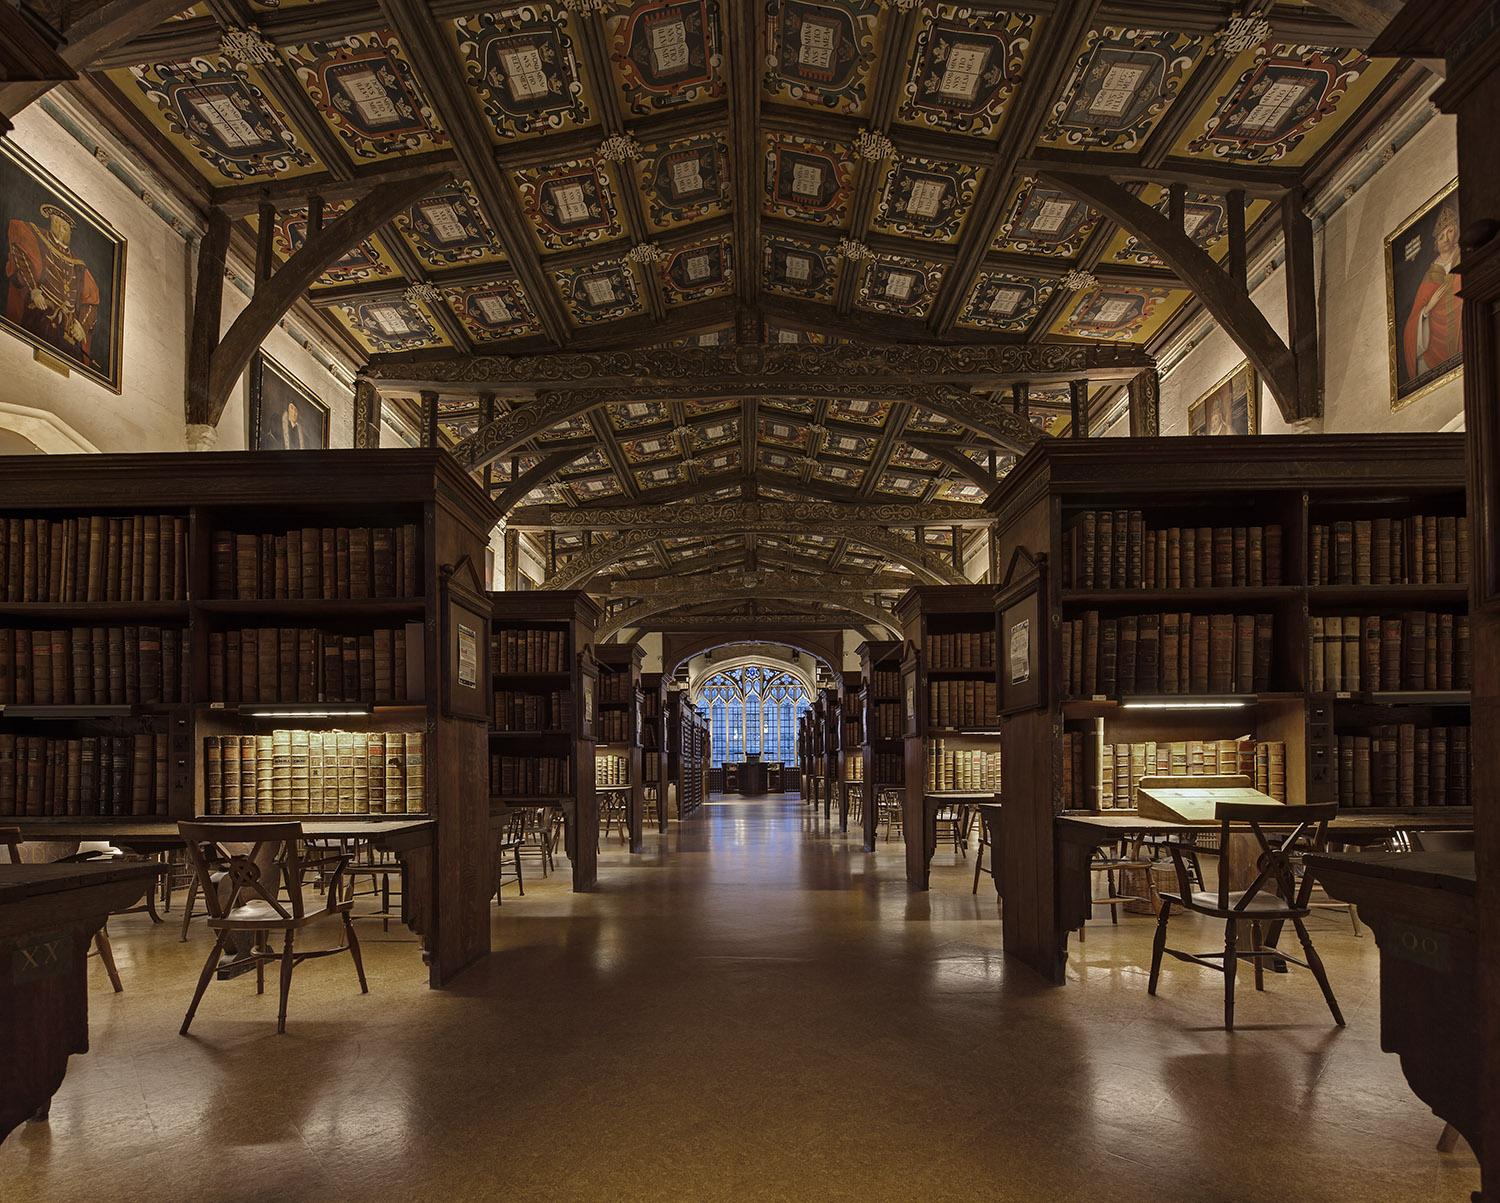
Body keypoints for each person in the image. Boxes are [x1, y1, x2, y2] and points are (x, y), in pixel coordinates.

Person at [5, 203, 100, 366]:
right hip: (39, 315)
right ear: (50, 222)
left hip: (67, 331)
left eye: (66, 226)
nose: (61, 228)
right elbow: (20, 252)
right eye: (57, 222)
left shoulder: (78, 265)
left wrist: (82, 326)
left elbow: (91, 300)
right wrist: (34, 290)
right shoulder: (36, 237)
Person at [1402, 199, 1463, 384]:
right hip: (1434, 341)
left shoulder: (1463, 256)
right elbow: (1412, 324)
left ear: (1457, 231)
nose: (1445, 239)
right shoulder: (1432, 272)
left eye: (1450, 231)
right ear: (1436, 241)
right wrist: (1427, 310)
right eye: (1441, 235)